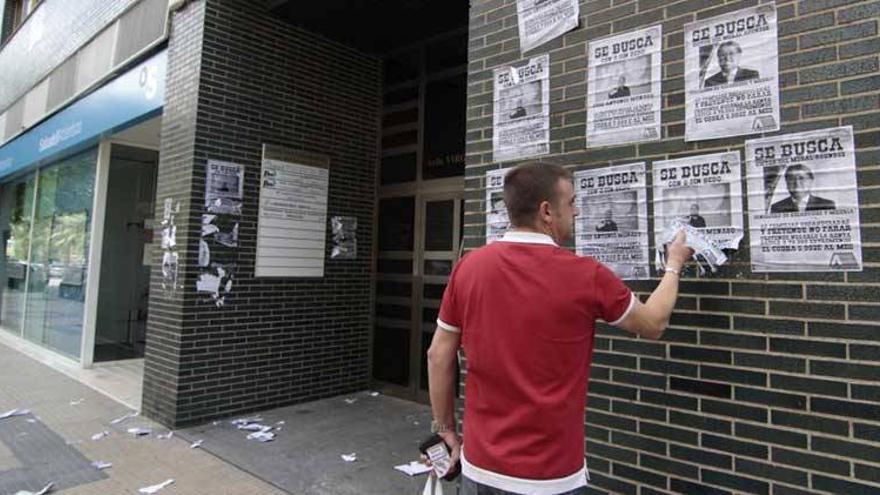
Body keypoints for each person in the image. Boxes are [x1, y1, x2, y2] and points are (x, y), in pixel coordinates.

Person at [427, 162, 693, 495]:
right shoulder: (586, 276)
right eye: (571, 203)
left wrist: (445, 428)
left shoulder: (469, 268)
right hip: (552, 477)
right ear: (547, 212)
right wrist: (675, 264)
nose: (577, 211)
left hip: (479, 470)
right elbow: (653, 323)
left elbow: (438, 354)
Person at [770, 163, 836, 213]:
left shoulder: (827, 205)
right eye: (791, 179)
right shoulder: (777, 208)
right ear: (786, 183)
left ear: (811, 181)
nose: (797, 183)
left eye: (801, 178)